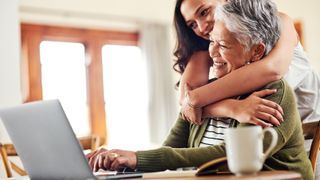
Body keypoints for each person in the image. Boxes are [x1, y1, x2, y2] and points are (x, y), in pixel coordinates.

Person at [87, 0, 313, 179]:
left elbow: (233, 154)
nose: (212, 50)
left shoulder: (271, 86)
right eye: (211, 42)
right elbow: (175, 140)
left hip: (299, 151)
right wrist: (127, 161)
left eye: (222, 44)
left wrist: (196, 100)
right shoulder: (212, 80)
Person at [175, 0, 320, 126]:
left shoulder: (279, 22)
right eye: (192, 25)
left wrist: (197, 99)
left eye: (204, 12)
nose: (201, 27)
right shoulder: (208, 48)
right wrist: (232, 108)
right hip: (266, 143)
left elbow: (273, 69)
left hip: (310, 143)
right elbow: (185, 102)